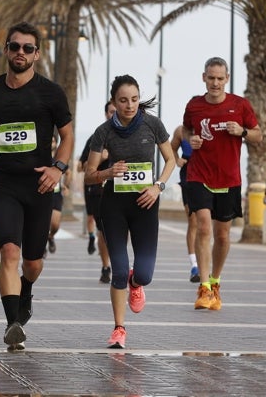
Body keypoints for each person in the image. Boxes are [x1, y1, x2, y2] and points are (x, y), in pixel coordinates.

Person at [0, 21, 73, 351]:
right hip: (3, 184)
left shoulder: (51, 92)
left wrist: (58, 168)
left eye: (28, 48)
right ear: (6, 49)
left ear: (37, 54)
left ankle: (27, 291)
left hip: (39, 187)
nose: (21, 52)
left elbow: (67, 135)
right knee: (9, 250)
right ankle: (12, 324)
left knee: (32, 263)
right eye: (15, 46)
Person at [85, 74, 175, 349]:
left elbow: (171, 160)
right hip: (114, 205)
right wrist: (108, 172)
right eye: (123, 100)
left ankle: (138, 284)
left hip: (146, 204)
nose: (130, 105)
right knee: (119, 271)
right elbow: (88, 175)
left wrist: (158, 186)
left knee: (143, 274)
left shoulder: (153, 124)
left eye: (134, 99)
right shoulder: (103, 132)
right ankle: (119, 329)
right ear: (114, 101)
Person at [183, 56, 262, 311]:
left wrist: (243, 132)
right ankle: (204, 288)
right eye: (211, 77)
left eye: (219, 78)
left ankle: (215, 282)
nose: (215, 83)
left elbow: (259, 136)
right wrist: (191, 140)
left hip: (228, 179)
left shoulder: (240, 105)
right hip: (199, 175)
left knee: (223, 235)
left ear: (226, 79)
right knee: (204, 227)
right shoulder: (194, 105)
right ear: (203, 77)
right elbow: (185, 130)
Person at [78, 101, 116, 284]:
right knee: (103, 229)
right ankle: (106, 266)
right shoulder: (97, 137)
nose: (113, 114)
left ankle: (118, 263)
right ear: (106, 114)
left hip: (122, 190)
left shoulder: (130, 136)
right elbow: (82, 167)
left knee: (118, 232)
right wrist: (101, 157)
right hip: (98, 190)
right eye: (110, 111)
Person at [170, 125, 200, 282]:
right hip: (188, 175)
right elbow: (171, 148)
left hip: (205, 174)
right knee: (193, 221)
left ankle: (204, 262)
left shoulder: (208, 129)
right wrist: (177, 159)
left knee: (206, 222)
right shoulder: (181, 131)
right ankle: (194, 265)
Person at [46, 136, 70, 256]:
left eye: (53, 141)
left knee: (55, 224)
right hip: (42, 192)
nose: (51, 143)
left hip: (56, 194)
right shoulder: (41, 156)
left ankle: (50, 237)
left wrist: (66, 186)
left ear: (56, 143)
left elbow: (68, 172)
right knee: (42, 222)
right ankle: (41, 245)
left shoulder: (60, 157)